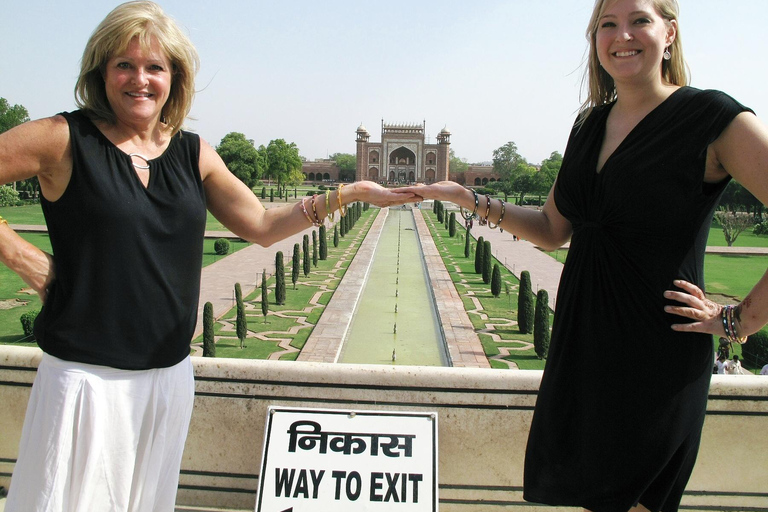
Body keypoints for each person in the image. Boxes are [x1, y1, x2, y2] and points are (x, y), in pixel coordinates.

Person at [0, 2, 414, 510]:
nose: (140, 80)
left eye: (155, 67)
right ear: (100, 72)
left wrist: (349, 194)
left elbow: (260, 226)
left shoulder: (191, 152)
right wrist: (28, 261)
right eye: (124, 65)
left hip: (166, 377)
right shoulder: (65, 138)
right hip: (86, 381)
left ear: (175, 77)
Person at [398, 0, 768, 510]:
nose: (623, 35)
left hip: (656, 355)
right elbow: (552, 229)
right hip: (583, 347)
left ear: (670, 33)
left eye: (640, 20)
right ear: (594, 40)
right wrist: (466, 199)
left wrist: (740, 320)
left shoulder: (711, 118)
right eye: (607, 24)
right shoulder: (589, 125)